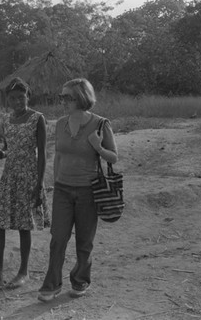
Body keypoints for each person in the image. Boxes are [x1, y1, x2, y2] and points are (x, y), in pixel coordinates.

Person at [38, 78, 118, 302]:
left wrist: (97, 146)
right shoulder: (61, 123)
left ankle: (80, 280)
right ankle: (51, 284)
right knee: (58, 238)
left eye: (67, 97)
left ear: (81, 98)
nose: (62, 101)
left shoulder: (101, 124)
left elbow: (114, 156)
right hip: (63, 190)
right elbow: (59, 155)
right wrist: (54, 183)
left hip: (88, 191)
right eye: (61, 96)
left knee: (84, 241)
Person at [0, 77, 49, 294]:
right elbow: (9, 148)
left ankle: (23, 272)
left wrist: (38, 185)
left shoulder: (38, 119)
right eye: (13, 98)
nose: (18, 101)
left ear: (28, 96)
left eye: (21, 97)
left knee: (23, 224)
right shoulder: (7, 120)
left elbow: (42, 155)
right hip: (9, 177)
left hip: (28, 177)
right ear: (7, 100)